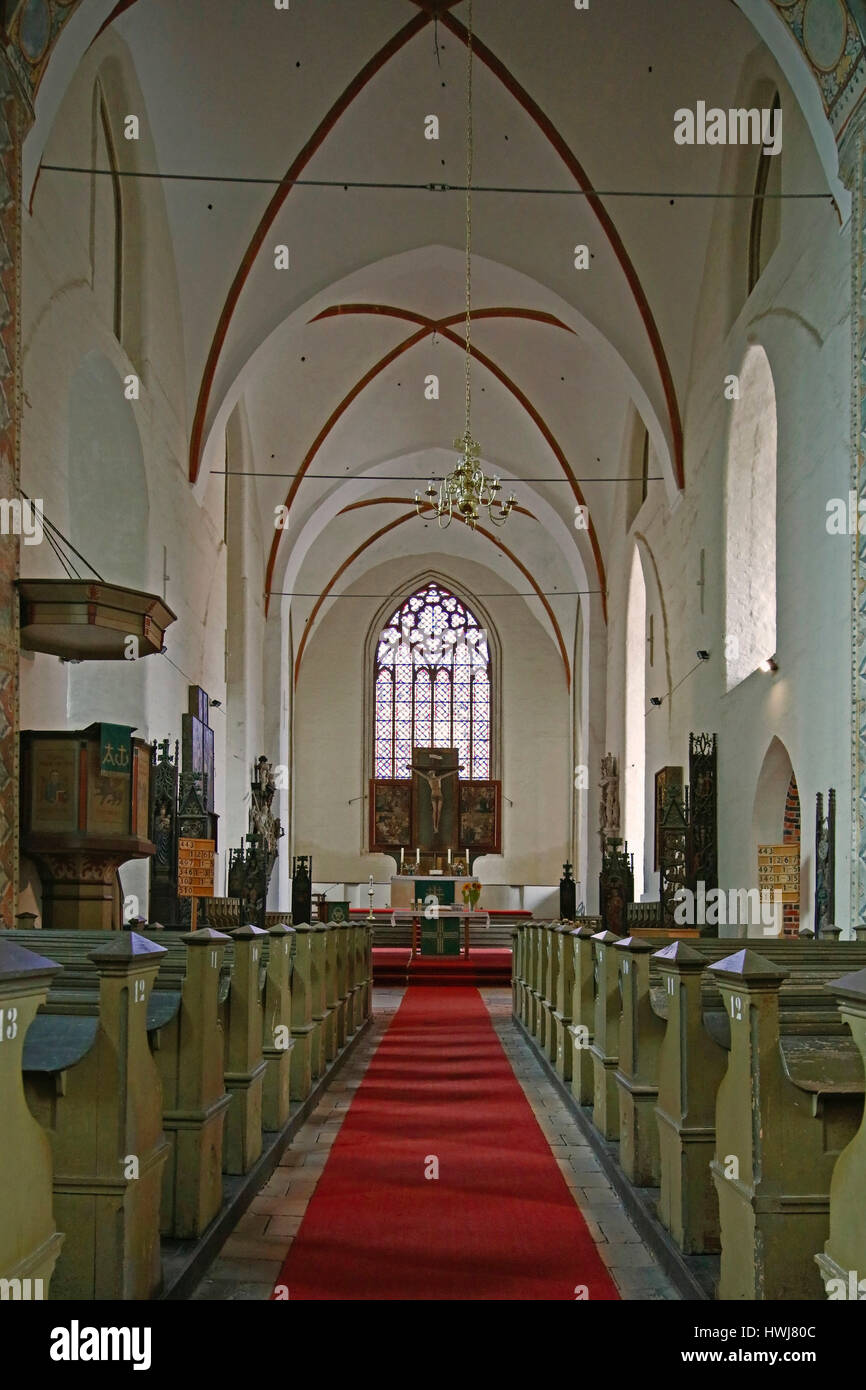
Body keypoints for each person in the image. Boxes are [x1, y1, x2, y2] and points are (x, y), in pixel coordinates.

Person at [410, 760, 464, 834]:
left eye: (432, 772)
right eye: (431, 773)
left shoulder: (439, 778)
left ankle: (437, 827)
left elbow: (449, 773)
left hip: (440, 795)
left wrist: (458, 769)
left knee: (439, 811)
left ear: (433, 773)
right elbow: (420, 773)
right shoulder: (429, 779)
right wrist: (412, 768)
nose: (432, 773)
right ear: (430, 774)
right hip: (433, 795)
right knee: (435, 811)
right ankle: (434, 827)